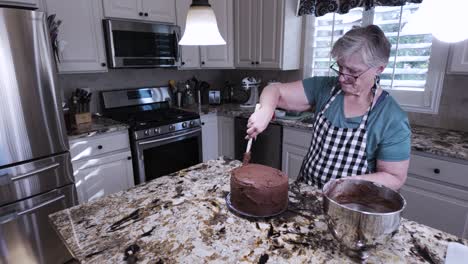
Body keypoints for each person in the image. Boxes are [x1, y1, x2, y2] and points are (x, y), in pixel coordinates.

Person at [246, 25, 410, 190]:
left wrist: (347, 184)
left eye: (353, 72)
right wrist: (266, 110)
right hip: (307, 191)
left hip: (350, 201)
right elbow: (274, 89)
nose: (341, 78)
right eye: (340, 67)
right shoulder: (324, 88)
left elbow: (394, 177)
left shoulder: (391, 117)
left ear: (379, 69)